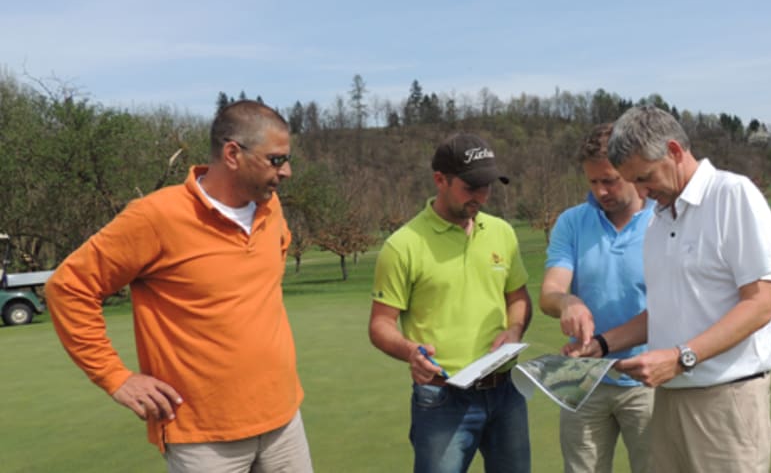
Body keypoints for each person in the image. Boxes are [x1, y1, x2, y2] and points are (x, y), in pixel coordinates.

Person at [46, 100, 313, 472]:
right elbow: (67, 288)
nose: (286, 172)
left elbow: (267, 275)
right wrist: (115, 378)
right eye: (276, 160)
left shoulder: (271, 209)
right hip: (202, 438)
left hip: (284, 420)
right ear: (232, 153)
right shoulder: (155, 217)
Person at [597, 105, 771, 472]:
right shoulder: (657, 221)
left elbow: (760, 303)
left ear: (674, 152)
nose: (643, 193)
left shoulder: (732, 195)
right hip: (668, 401)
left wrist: (682, 357)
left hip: (726, 401)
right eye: (634, 182)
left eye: (645, 177)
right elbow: (663, 311)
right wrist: (601, 344)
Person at [368, 132, 532, 473]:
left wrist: (515, 328)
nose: (481, 197)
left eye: (487, 186)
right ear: (440, 180)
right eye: (471, 187)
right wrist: (410, 351)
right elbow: (380, 325)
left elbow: (517, 297)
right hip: (442, 397)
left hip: (505, 391)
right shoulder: (403, 245)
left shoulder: (502, 232)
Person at [539, 123, 655, 473]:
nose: (601, 191)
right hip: (585, 378)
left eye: (610, 180)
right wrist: (567, 302)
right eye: (592, 182)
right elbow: (550, 292)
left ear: (632, 171)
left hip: (647, 377)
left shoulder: (663, 221)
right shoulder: (572, 222)